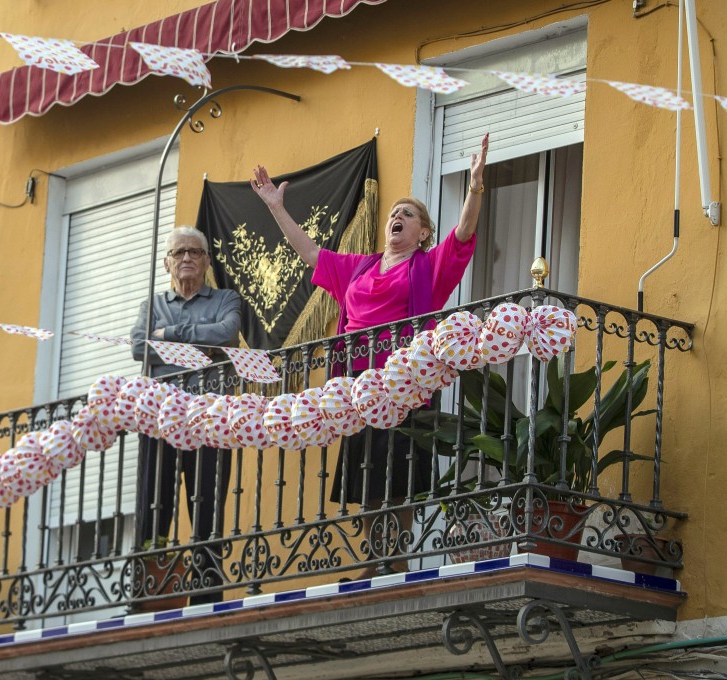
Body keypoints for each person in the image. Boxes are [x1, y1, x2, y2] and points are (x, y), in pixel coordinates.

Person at [250, 134, 489, 577]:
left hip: (401, 388)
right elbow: (309, 252)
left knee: (397, 480)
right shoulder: (357, 267)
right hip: (357, 391)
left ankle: (393, 562)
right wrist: (275, 207)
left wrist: (474, 185)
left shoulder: (428, 267)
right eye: (395, 213)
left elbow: (463, 236)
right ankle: (378, 559)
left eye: (409, 215)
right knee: (366, 479)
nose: (398, 217)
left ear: (423, 233)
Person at [130, 225, 241, 603]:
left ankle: (207, 592)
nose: (187, 258)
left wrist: (168, 334)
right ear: (166, 263)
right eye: (179, 253)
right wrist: (194, 341)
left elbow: (226, 333)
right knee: (152, 502)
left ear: (208, 261)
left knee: (206, 503)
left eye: (195, 252)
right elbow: (136, 346)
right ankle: (148, 590)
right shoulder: (152, 304)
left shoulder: (226, 298)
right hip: (158, 416)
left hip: (208, 415)